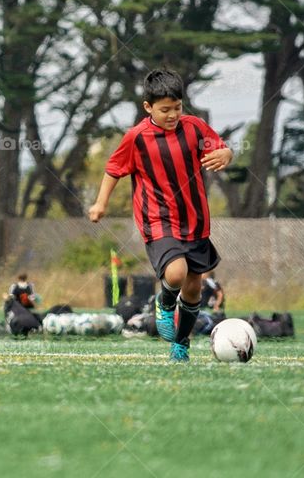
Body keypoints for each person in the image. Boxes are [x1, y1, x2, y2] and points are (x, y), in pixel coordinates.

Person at [88, 68, 233, 362]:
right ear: (148, 107)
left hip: (195, 221)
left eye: (177, 108)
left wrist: (226, 154)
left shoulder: (194, 128)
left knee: (194, 288)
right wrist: (100, 203)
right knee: (176, 273)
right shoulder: (136, 138)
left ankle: (181, 344)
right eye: (165, 109)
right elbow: (113, 169)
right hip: (158, 219)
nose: (172, 115)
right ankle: (163, 303)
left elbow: (220, 148)